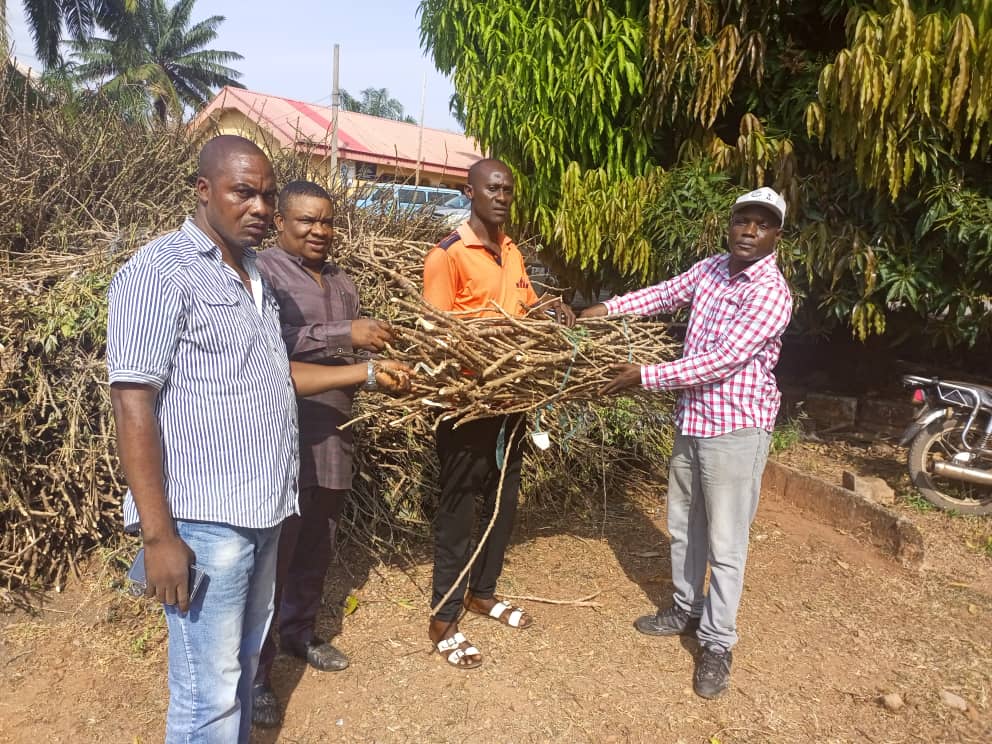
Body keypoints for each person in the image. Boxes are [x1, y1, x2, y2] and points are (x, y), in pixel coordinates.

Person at [106, 135, 410, 743]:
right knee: (208, 694)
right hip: (206, 521)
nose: (259, 207)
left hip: (267, 509)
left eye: (267, 195)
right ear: (203, 190)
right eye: (243, 191)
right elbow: (131, 401)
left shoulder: (251, 277)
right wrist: (159, 534)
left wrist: (369, 373)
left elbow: (278, 375)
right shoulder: (158, 273)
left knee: (243, 669)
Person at [580, 187, 793, 700]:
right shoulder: (712, 269)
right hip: (694, 419)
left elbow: (723, 359)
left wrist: (644, 376)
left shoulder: (771, 293)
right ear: (730, 224)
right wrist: (603, 309)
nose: (748, 230)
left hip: (735, 429)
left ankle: (717, 642)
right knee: (683, 523)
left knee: (726, 541)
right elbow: (660, 294)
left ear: (776, 236)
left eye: (761, 224)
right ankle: (685, 608)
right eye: (742, 219)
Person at [422, 157, 575, 669]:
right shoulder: (446, 256)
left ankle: (481, 593)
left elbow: (525, 307)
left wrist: (550, 308)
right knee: (459, 509)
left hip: (511, 403)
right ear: (470, 192)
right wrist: (481, 358)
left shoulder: (511, 252)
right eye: (492, 188)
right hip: (466, 407)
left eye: (508, 188)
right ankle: (443, 615)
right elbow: (437, 337)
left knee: (504, 501)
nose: (502, 196)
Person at [250, 180, 393, 727]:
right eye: (307, 221)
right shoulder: (262, 273)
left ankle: (299, 635)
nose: (318, 231)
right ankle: (259, 674)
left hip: (335, 432)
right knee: (275, 559)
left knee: (317, 547)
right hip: (283, 437)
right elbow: (270, 344)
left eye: (327, 222)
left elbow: (351, 357)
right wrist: (346, 334)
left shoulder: (343, 281)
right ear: (282, 221)